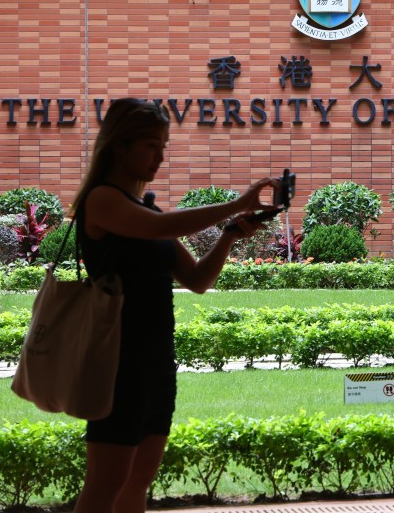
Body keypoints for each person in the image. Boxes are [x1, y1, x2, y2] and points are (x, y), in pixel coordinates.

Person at [69, 98, 281, 513]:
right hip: (117, 362)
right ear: (120, 145)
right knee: (105, 487)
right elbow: (159, 228)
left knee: (136, 484)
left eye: (163, 146)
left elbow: (197, 280)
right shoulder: (102, 201)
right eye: (151, 145)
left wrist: (228, 236)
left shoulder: (144, 208)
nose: (160, 157)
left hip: (156, 361)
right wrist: (238, 203)